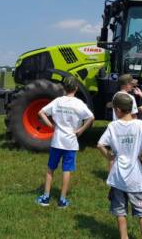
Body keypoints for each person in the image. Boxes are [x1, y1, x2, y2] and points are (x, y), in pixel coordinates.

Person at [98, 93, 142, 239]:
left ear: (117, 110)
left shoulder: (113, 126)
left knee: (120, 211)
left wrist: (109, 155)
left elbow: (100, 144)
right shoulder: (140, 124)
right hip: (135, 176)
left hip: (117, 176)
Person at [35, 76, 95, 208]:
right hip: (71, 143)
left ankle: (45, 197)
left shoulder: (57, 101)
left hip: (57, 141)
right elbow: (91, 117)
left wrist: (51, 125)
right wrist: (80, 130)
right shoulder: (79, 104)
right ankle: (62, 200)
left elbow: (41, 112)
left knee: (50, 168)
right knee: (66, 170)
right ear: (76, 88)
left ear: (63, 88)